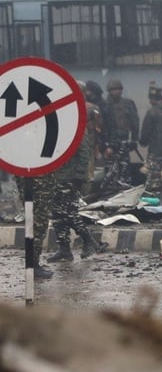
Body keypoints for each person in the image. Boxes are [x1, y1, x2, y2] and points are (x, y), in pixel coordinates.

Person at [47, 109, 107, 263]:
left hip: (71, 177)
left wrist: (79, 176)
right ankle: (64, 249)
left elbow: (84, 154)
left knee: (69, 213)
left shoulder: (77, 129)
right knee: (58, 216)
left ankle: (89, 241)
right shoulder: (60, 128)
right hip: (57, 177)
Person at [102, 78, 140, 185]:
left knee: (124, 168)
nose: (117, 92)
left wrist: (134, 139)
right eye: (114, 89)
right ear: (109, 91)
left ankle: (125, 185)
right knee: (110, 169)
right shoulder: (104, 105)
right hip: (108, 142)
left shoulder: (128, 103)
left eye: (119, 89)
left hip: (123, 141)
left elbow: (134, 122)